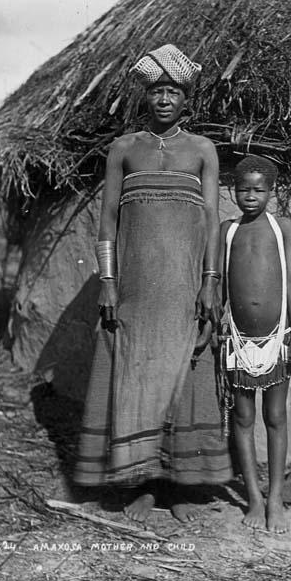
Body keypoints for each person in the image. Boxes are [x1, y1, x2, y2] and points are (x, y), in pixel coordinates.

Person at [74, 44, 232, 522]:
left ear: (186, 99)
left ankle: (181, 486)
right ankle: (141, 484)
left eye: (173, 92)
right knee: (134, 377)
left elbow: (210, 219)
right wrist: (107, 282)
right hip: (136, 291)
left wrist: (209, 281)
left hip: (183, 289)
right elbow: (105, 224)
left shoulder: (202, 149)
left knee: (185, 377)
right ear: (146, 96)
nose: (164, 99)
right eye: (157, 91)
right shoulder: (123, 148)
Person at [219, 155, 291, 533]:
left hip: (278, 337)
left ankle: (275, 500)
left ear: (272, 191)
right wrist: (218, 324)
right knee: (241, 418)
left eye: (258, 189)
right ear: (232, 191)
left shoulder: (282, 226)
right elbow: (220, 282)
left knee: (275, 417)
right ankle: (253, 497)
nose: (250, 196)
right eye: (243, 189)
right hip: (238, 339)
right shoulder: (228, 230)